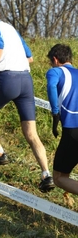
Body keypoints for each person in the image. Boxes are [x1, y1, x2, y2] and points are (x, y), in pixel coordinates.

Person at [0, 0, 54, 193]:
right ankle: (46, 175)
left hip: (7, 78)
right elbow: (30, 57)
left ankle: (0, 153)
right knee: (31, 133)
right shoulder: (11, 28)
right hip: (25, 81)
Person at [46, 43, 78, 195]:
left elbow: (51, 86)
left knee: (58, 177)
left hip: (73, 130)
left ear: (55, 59)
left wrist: (55, 112)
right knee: (65, 174)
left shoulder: (56, 72)